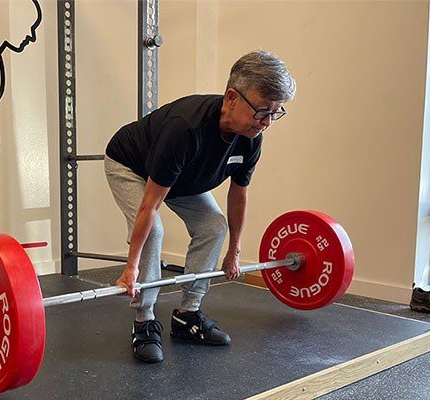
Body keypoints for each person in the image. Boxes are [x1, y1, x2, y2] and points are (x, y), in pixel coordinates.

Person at [104, 50, 296, 363]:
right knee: (154, 231)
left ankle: (187, 314)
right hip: (131, 165)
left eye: (276, 113)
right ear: (232, 97)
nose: (267, 123)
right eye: (262, 111)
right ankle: (144, 320)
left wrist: (234, 251)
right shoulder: (186, 129)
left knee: (213, 225)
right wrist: (131, 268)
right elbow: (150, 207)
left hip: (182, 178)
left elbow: (238, 194)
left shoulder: (251, 136)